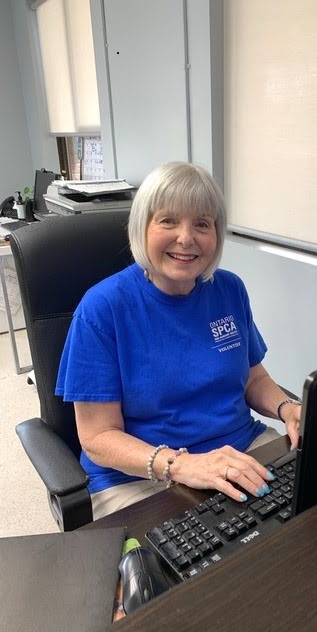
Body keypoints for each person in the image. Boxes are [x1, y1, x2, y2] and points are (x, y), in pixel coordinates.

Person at [55, 162, 302, 519]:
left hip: (239, 450)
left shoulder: (228, 289)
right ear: (142, 227)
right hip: (140, 477)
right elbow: (98, 437)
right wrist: (182, 466)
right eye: (168, 221)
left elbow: (254, 378)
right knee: (197, 567)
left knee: (314, 513)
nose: (186, 238)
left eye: (202, 223)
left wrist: (288, 408)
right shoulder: (102, 309)